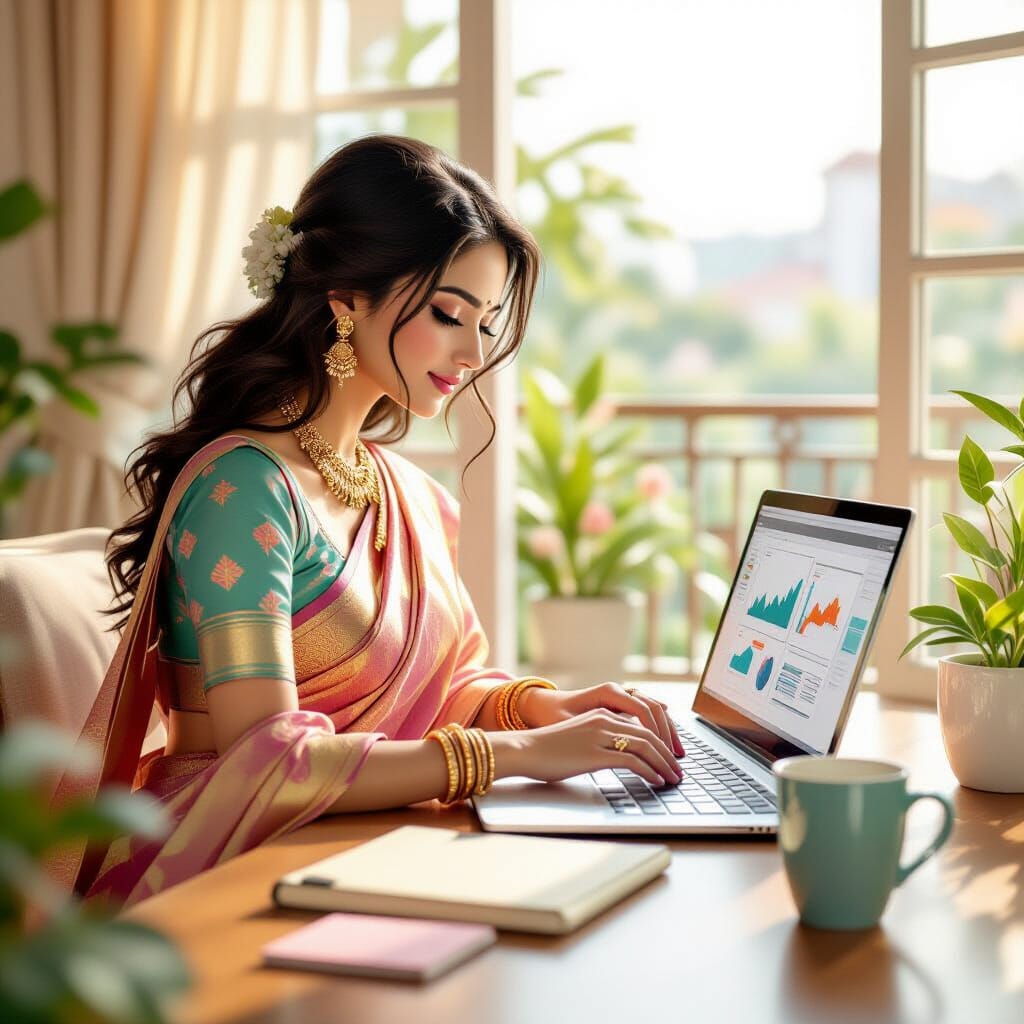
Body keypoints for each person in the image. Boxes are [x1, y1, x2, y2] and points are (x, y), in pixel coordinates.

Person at [53, 135, 684, 908]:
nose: (472, 352)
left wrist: (540, 709)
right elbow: (268, 765)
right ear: (346, 298)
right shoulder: (241, 489)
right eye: (449, 314)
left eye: (486, 323)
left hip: (367, 839)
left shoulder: (407, 493)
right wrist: (519, 752)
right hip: (226, 863)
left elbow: (445, 690)